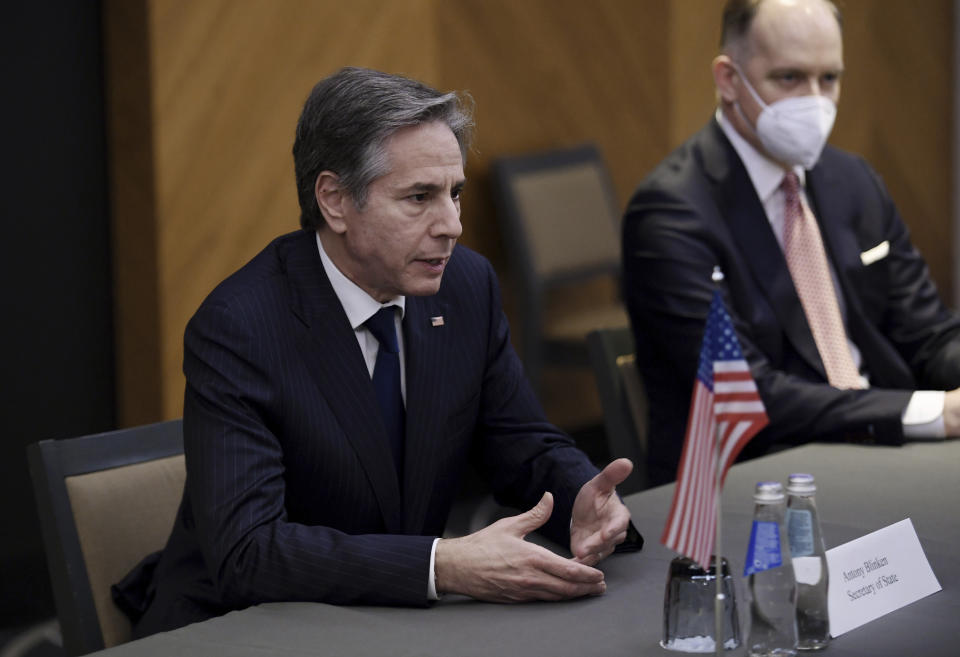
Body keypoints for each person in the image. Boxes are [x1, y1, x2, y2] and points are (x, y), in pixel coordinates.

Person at [117, 67, 640, 637]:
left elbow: (517, 441)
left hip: (392, 622)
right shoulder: (242, 328)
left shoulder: (466, 287)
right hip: (246, 627)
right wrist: (442, 564)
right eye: (420, 197)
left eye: (455, 193)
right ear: (336, 201)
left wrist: (579, 497)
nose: (452, 225)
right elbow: (249, 551)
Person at [623, 0, 960, 486]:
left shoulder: (853, 180)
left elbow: (927, 332)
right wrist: (934, 412)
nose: (815, 101)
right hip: (759, 478)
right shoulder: (671, 212)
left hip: (883, 452)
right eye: (789, 78)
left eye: (830, 79)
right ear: (728, 79)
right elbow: (750, 394)